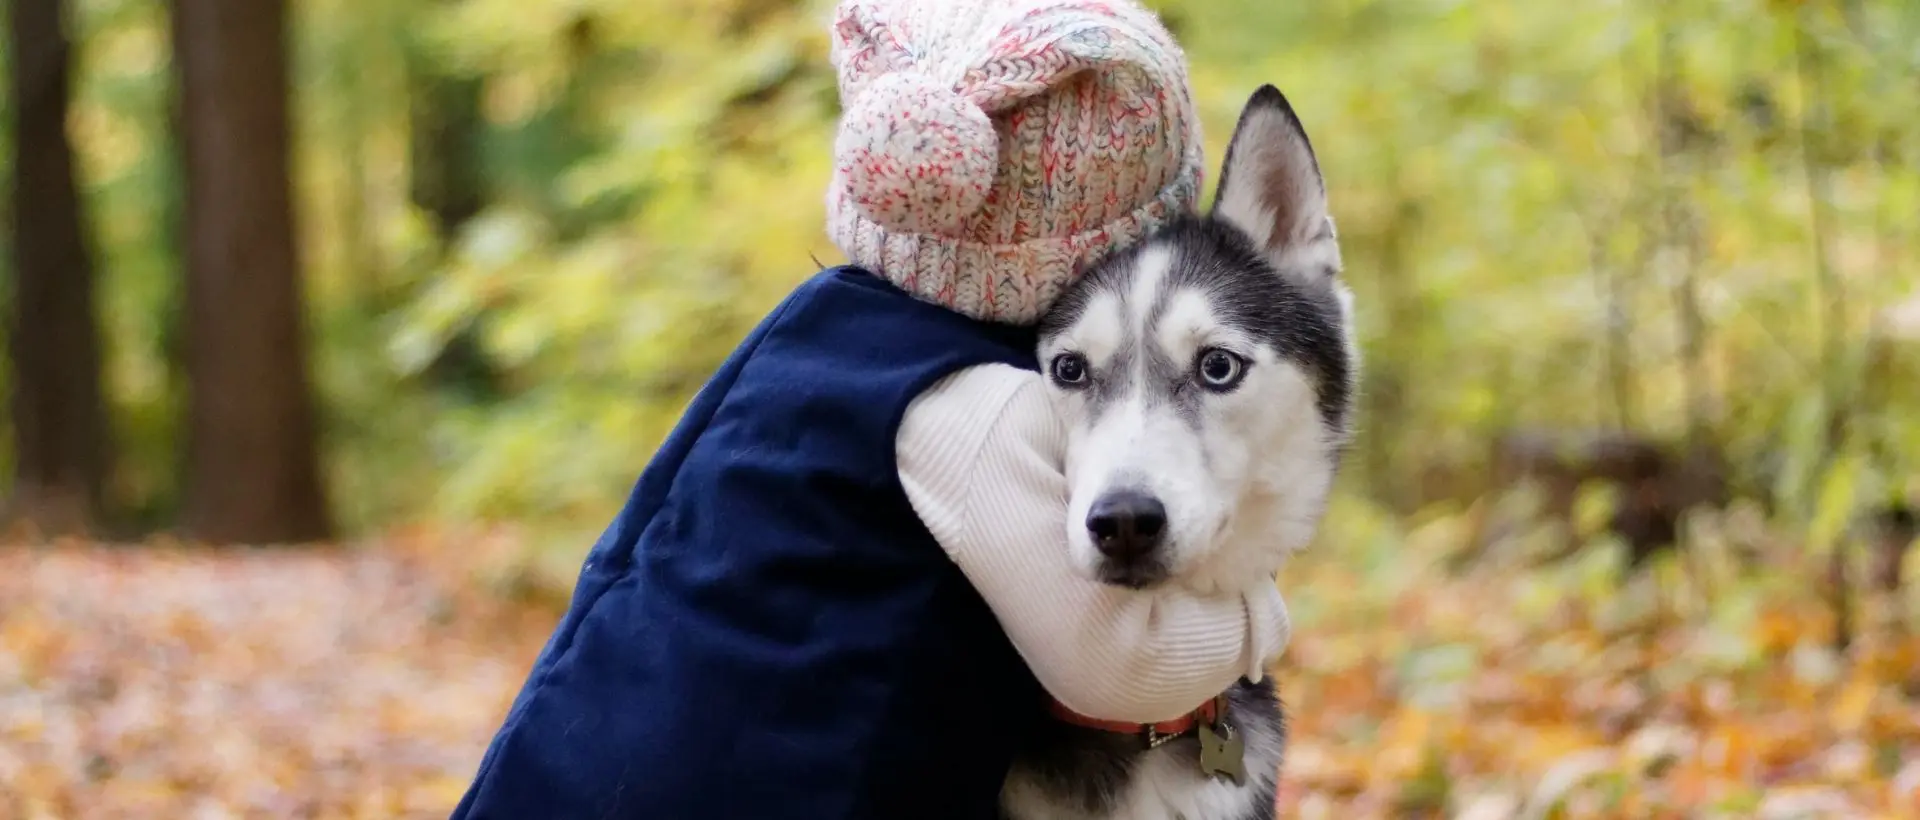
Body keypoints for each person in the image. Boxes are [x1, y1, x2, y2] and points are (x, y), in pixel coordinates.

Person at [449, 1, 1291, 817]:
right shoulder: (979, 406)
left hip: (590, 756)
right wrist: (1258, 614)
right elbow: (1122, 669)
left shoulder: (819, 324)